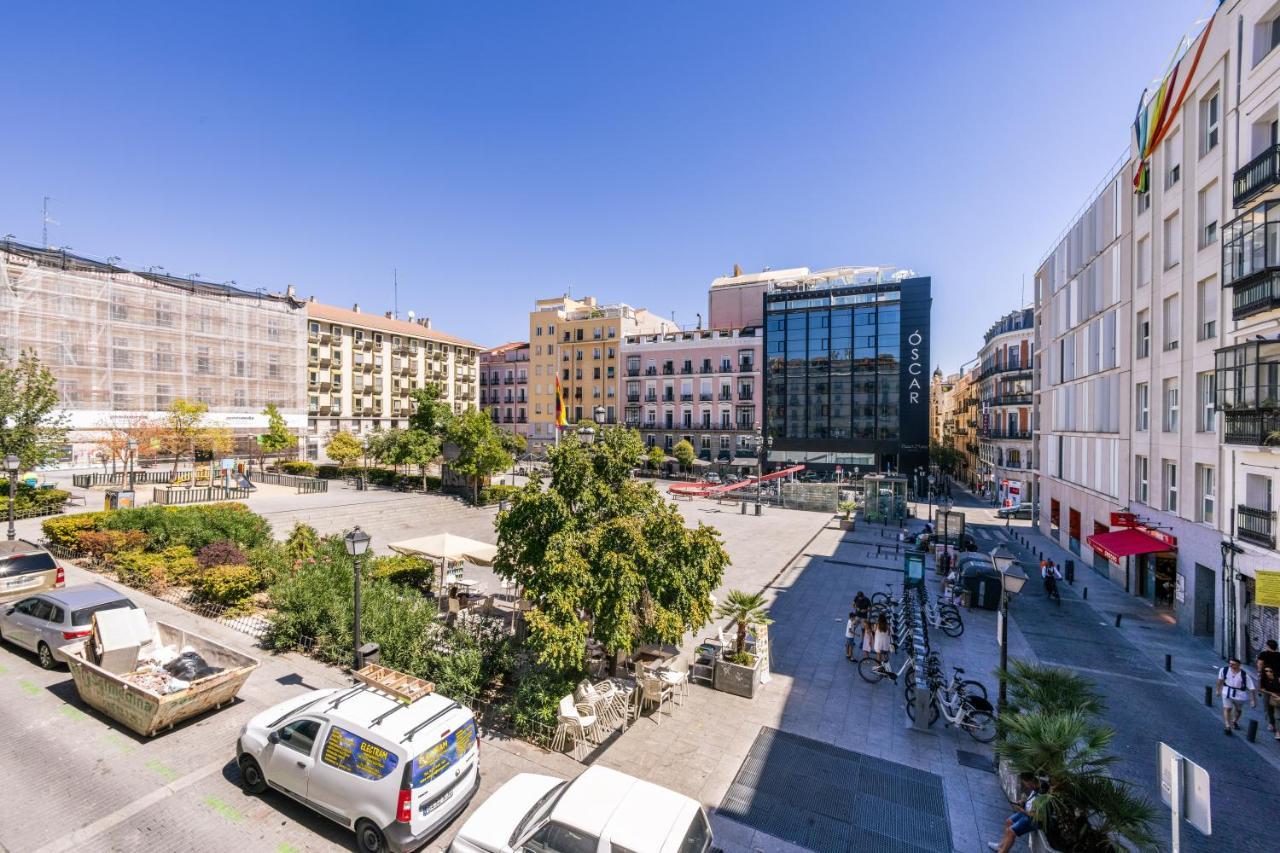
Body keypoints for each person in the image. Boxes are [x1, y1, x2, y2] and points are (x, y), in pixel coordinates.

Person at [988, 773, 1041, 852]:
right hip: (1026, 812)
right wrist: (1023, 801)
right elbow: (1031, 802)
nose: (1025, 786)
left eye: (1025, 783)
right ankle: (1001, 846)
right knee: (1009, 821)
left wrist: (1021, 810)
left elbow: (1033, 815)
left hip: (1032, 819)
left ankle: (1003, 851)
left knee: (1011, 831)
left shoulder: (1041, 794)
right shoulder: (1034, 788)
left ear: (1030, 782)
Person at [1217, 657, 1258, 735]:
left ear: (1239, 665)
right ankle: (1227, 725)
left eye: (1233, 664)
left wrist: (1253, 700)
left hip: (1240, 695)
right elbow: (1220, 680)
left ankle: (1234, 721)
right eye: (1230, 663)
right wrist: (1218, 690)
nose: (1231, 665)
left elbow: (1252, 688)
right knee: (1227, 708)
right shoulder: (1224, 670)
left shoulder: (1244, 675)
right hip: (1227, 692)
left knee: (1238, 710)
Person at [1259, 665, 1280, 740]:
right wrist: (1270, 693)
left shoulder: (1278, 679)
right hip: (1268, 695)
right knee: (1268, 710)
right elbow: (1261, 689)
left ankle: (1278, 730)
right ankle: (1271, 723)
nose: (1268, 673)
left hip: (1278, 695)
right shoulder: (1263, 679)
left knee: (1277, 714)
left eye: (1270, 671)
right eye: (1266, 671)